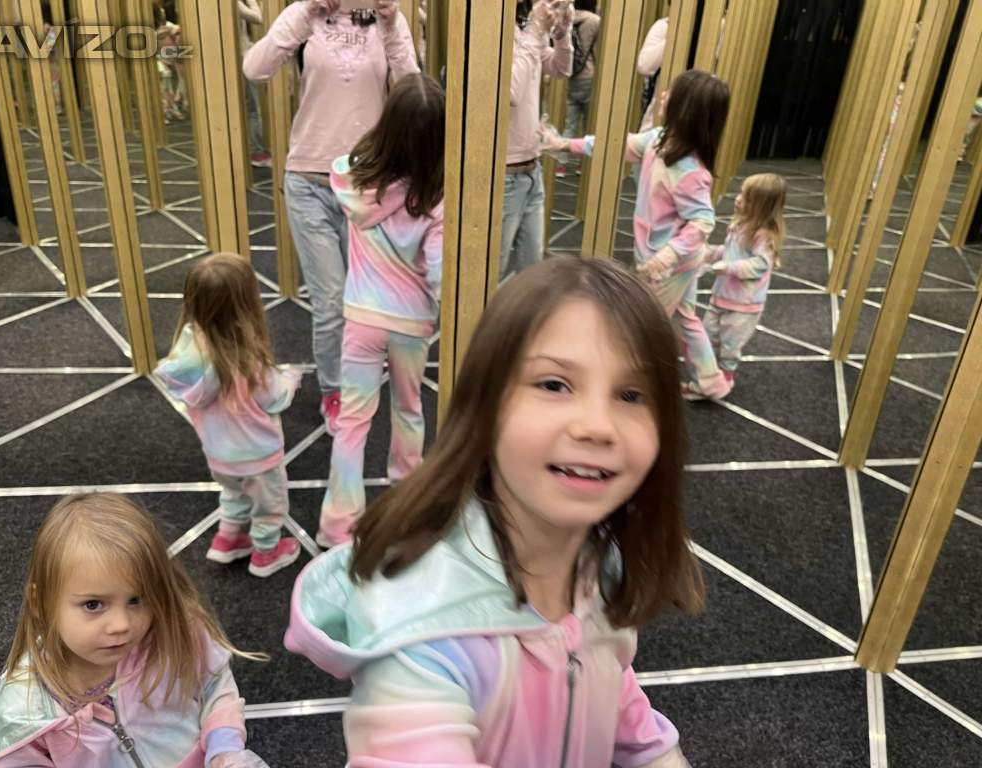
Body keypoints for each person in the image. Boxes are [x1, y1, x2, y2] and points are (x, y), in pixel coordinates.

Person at [286, 257, 701, 767]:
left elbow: (613, 693)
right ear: (486, 404)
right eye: (554, 384)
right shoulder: (424, 641)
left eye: (631, 395)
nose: (597, 425)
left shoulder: (600, 571)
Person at [0, 493, 268, 768]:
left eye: (137, 599)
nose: (122, 625)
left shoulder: (174, 632)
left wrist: (225, 749)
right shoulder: (23, 711)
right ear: (41, 603)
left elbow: (214, 686)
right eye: (93, 605)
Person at [243, 0, 419, 436]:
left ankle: (360, 373)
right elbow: (255, 68)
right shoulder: (305, 15)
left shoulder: (386, 20)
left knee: (367, 299)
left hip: (367, 186)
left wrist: (392, 22)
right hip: (308, 181)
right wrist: (305, 11)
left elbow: (411, 89)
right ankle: (335, 389)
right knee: (331, 301)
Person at [547, 69, 732, 400]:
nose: (662, 95)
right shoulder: (659, 139)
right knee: (685, 318)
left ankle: (630, 385)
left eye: (670, 93)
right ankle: (710, 380)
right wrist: (564, 144)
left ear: (685, 108)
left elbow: (703, 221)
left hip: (670, 264)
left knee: (641, 322)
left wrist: (667, 257)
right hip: (665, 257)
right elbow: (615, 146)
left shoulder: (690, 171)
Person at [316, 73, 445, 548]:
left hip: (362, 318)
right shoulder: (438, 197)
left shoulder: (351, 176)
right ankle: (406, 503)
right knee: (409, 411)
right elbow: (440, 273)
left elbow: (342, 165)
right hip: (411, 323)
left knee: (353, 422)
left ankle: (338, 525)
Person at [155, 253, 304, 578]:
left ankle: (228, 538)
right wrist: (292, 378)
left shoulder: (189, 353)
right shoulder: (247, 361)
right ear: (246, 305)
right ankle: (266, 553)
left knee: (234, 493)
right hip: (258, 457)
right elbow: (276, 398)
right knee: (270, 506)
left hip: (219, 456)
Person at [501, 0, 574, 281]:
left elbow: (561, 68)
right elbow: (511, 92)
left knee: (533, 271)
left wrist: (562, 33)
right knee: (490, 272)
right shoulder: (492, 29)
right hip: (503, 174)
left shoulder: (524, 29)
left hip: (532, 170)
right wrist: (534, 30)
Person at [703, 173, 786, 388]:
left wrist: (728, 268)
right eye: (740, 194)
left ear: (761, 207)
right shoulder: (739, 225)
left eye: (747, 198)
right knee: (707, 334)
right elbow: (730, 251)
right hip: (721, 296)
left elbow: (759, 265)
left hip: (743, 305)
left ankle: (725, 377)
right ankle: (709, 372)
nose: (738, 199)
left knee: (730, 344)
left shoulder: (763, 236)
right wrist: (710, 253)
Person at [556, 0, 600, 178]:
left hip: (572, 74)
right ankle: (583, 165)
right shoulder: (595, 20)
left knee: (570, 124)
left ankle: (561, 165)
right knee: (589, 124)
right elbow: (598, 50)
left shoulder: (570, 18)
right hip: (589, 75)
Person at [238, 0, 272, 167]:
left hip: (229, 62)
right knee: (253, 109)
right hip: (242, 61)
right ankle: (258, 152)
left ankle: (244, 151)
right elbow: (258, 18)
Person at [637, 10, 668, 133]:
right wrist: (676, 33)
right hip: (657, 113)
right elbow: (644, 65)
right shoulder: (664, 26)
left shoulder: (715, 27)